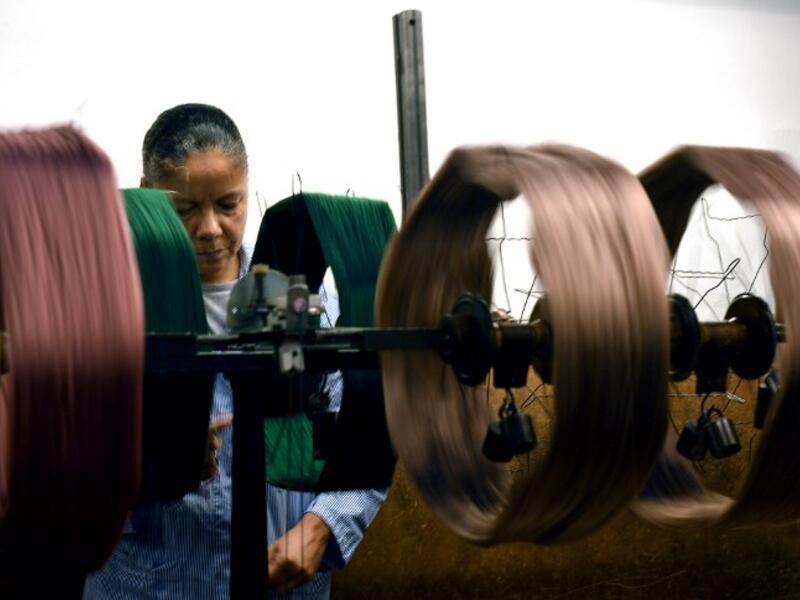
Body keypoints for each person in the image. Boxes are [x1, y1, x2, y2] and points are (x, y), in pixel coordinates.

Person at [83, 103, 387, 599]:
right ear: (144, 192)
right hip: (150, 587)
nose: (210, 229)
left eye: (228, 205)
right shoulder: (102, 311)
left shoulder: (310, 305)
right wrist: (152, 455)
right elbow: (57, 465)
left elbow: (368, 433)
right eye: (184, 208)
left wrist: (323, 526)